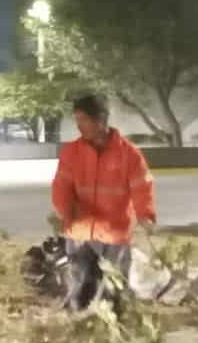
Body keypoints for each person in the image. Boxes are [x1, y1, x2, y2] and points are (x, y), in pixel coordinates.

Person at [52, 93, 157, 311]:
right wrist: (65, 214)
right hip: (80, 233)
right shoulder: (71, 153)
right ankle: (80, 329)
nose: (79, 126)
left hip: (114, 235)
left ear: (101, 119)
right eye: (77, 120)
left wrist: (145, 216)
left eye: (84, 120)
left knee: (113, 291)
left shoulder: (129, 154)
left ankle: (114, 330)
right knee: (80, 289)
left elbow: (141, 188)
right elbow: (61, 188)